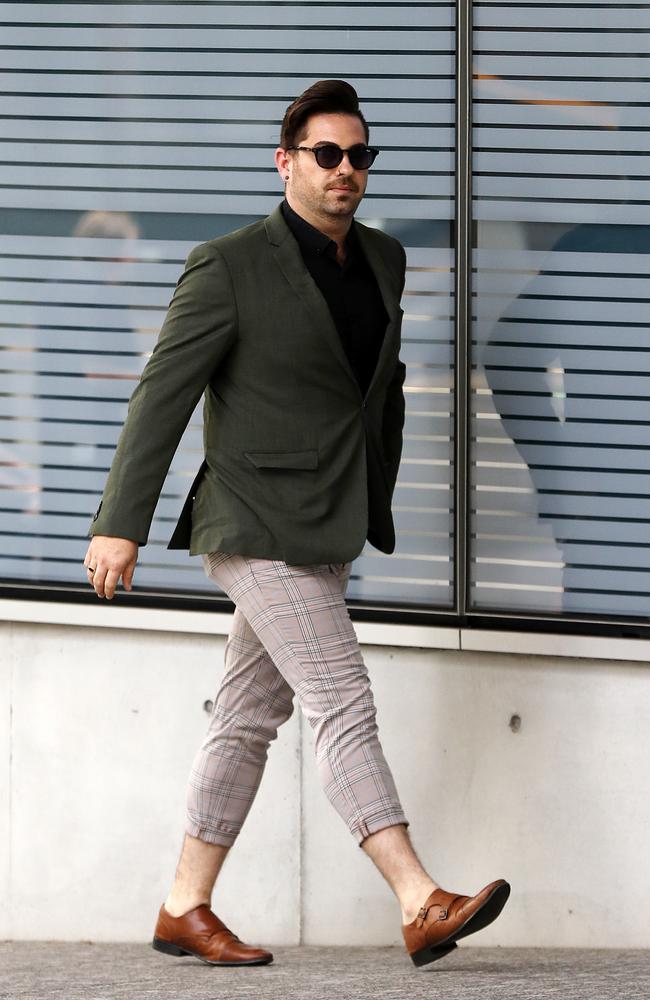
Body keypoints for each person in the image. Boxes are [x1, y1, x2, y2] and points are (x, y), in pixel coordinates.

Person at [84, 79, 510, 969]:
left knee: (247, 713)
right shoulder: (228, 264)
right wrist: (120, 522)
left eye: (359, 156)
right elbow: (162, 396)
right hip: (250, 517)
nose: (345, 170)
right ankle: (417, 896)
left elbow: (377, 394)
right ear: (286, 163)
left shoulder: (385, 260)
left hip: (329, 518)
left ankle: (182, 905)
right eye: (327, 155)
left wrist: (375, 497)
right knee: (342, 699)